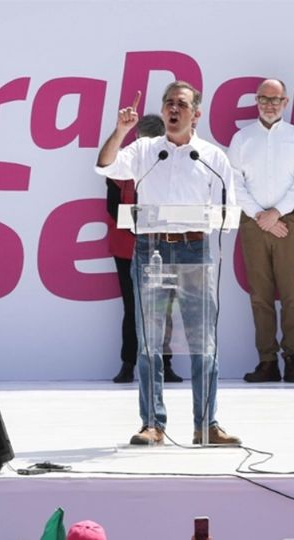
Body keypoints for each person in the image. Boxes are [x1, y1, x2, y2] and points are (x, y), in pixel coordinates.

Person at [95, 81, 242, 446]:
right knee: (149, 343)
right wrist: (121, 131)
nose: (173, 109)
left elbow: (226, 212)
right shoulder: (144, 150)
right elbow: (104, 166)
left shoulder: (212, 156)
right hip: (152, 251)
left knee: (203, 342)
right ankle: (152, 424)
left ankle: (206, 424)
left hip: (196, 251)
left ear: (197, 113)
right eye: (168, 103)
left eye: (181, 104)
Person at [228, 79, 294, 383]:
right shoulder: (242, 139)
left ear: (285, 102)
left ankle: (292, 358)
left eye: (275, 99)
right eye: (264, 99)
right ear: (256, 100)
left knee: (291, 294)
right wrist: (260, 216)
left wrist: (276, 214)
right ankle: (267, 360)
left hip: (289, 223)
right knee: (260, 295)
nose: (269, 104)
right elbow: (235, 183)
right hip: (252, 223)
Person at [106, 114, 182, 384]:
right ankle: (128, 364)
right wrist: (139, 228)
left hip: (164, 245)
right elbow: (113, 207)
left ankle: (166, 363)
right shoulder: (122, 164)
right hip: (128, 247)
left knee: (164, 306)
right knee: (132, 306)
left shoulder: (173, 164)